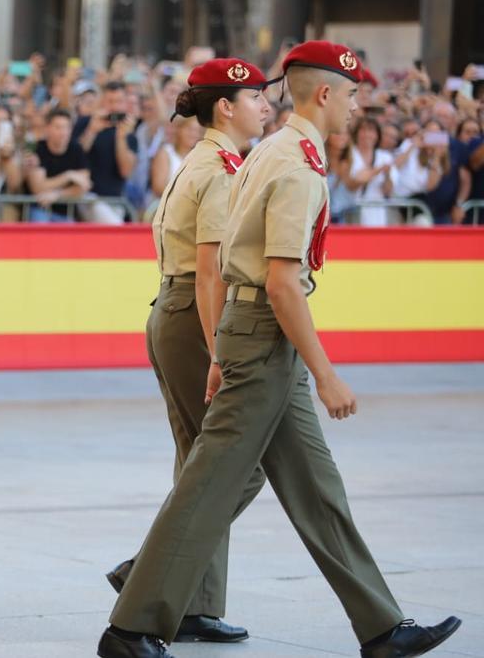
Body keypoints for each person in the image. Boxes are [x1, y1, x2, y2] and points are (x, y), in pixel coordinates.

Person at [98, 40, 461, 658]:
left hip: (256, 333)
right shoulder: (291, 164)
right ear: (325, 93)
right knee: (212, 479)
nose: (355, 107)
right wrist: (326, 374)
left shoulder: (275, 152)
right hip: (263, 333)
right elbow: (280, 281)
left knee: (316, 487)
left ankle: (381, 626)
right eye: (351, 94)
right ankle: (133, 625)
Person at [105, 58, 273, 648]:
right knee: (235, 465)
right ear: (225, 106)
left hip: (171, 310)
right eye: (256, 96)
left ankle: (195, 604)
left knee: (198, 462)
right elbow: (210, 273)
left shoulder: (196, 161)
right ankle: (149, 572)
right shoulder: (223, 171)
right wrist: (220, 350)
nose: (266, 104)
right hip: (196, 315)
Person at [76, 81, 136, 223]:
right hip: (87, 197)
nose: (114, 106)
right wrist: (91, 131)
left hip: (115, 202)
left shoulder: (129, 133)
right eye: (110, 101)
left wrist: (121, 137)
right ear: (102, 101)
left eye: (119, 101)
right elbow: (74, 157)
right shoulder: (85, 123)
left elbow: (125, 171)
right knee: (118, 232)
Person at [25, 108, 91, 222]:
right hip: (39, 209)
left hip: (66, 212)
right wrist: (68, 176)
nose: (63, 132)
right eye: (58, 127)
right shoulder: (39, 148)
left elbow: (84, 185)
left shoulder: (76, 149)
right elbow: (38, 188)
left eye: (66, 127)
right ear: (47, 128)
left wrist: (56, 194)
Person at [345, 117, 394, 225]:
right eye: (363, 130)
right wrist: (376, 171)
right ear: (357, 133)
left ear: (377, 135)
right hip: (351, 209)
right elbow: (351, 185)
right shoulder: (348, 154)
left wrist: (387, 175)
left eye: (371, 130)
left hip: (377, 212)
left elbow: (388, 192)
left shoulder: (385, 157)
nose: (367, 134)